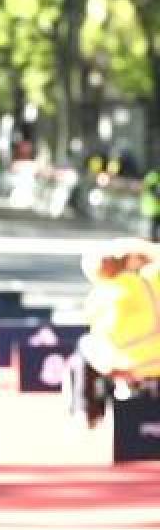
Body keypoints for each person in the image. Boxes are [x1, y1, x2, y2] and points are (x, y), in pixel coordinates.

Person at [66, 238, 160, 428]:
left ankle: (86, 410)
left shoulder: (100, 295)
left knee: (84, 345)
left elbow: (99, 334)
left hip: (127, 364)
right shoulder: (154, 280)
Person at [141, 164, 160, 242]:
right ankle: (152, 240)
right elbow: (152, 189)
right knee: (153, 228)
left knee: (154, 227)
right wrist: (158, 196)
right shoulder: (153, 176)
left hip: (156, 208)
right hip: (152, 207)